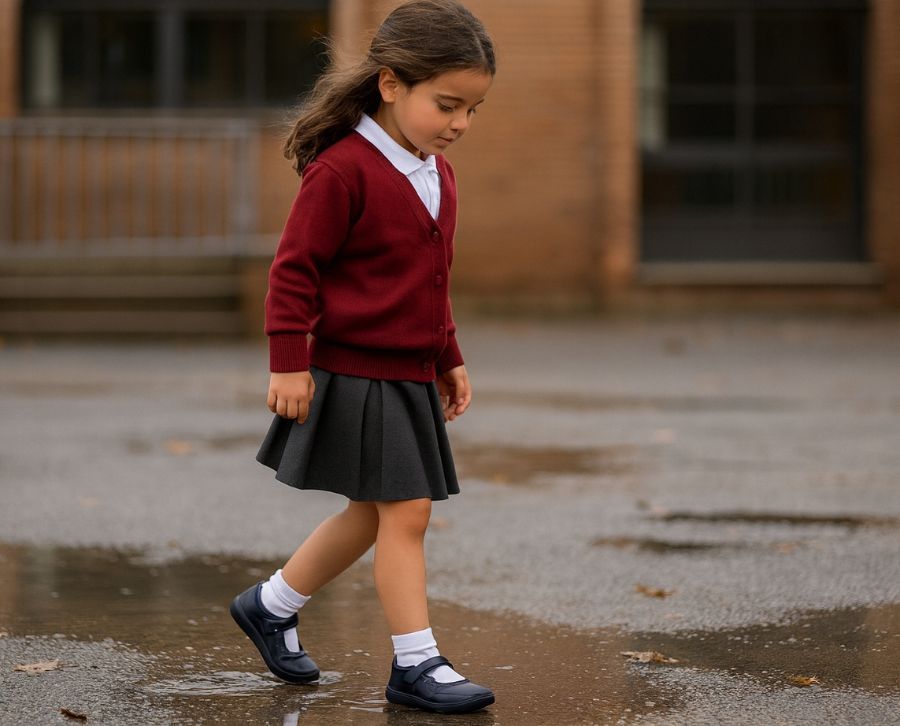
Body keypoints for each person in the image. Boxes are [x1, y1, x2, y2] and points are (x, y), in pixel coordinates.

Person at [228, 0, 496, 715]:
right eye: (446, 104)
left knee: (374, 515)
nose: (459, 124)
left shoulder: (436, 173)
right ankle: (417, 664)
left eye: (471, 109)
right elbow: (293, 271)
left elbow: (427, 281)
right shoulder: (344, 170)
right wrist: (288, 361)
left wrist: (448, 353)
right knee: (405, 513)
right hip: (353, 371)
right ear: (389, 84)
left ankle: (270, 604)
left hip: (406, 373)